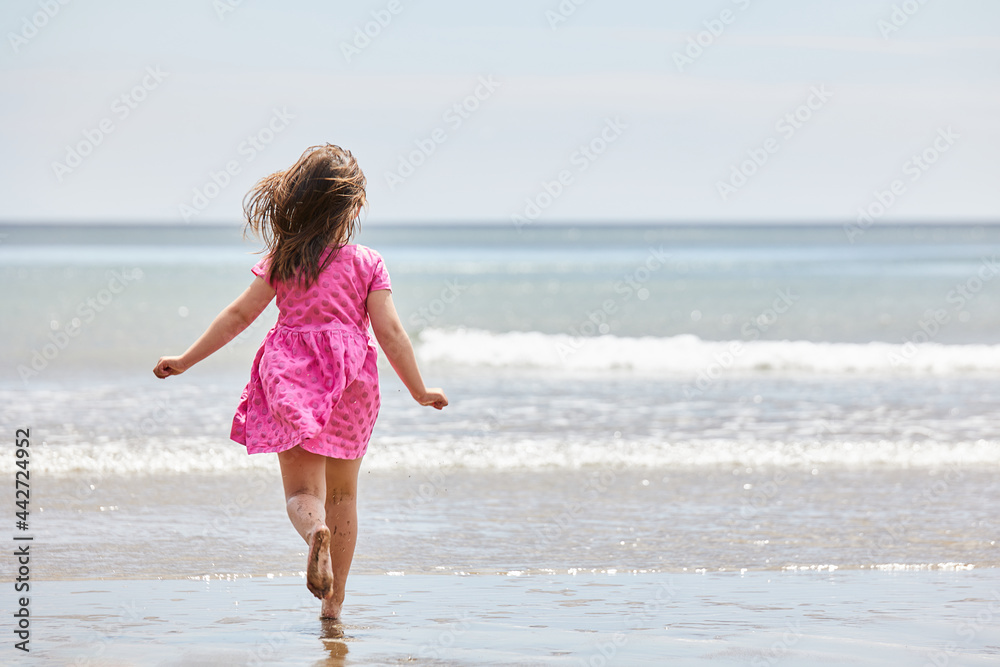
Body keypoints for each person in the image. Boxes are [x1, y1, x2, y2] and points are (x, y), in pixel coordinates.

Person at [153, 144, 448, 620]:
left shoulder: (283, 259)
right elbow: (390, 331)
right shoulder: (367, 262)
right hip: (351, 383)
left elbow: (238, 315)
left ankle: (314, 534)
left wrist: (187, 359)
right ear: (350, 206)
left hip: (291, 380)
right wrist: (419, 389)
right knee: (344, 496)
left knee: (303, 496)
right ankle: (334, 606)